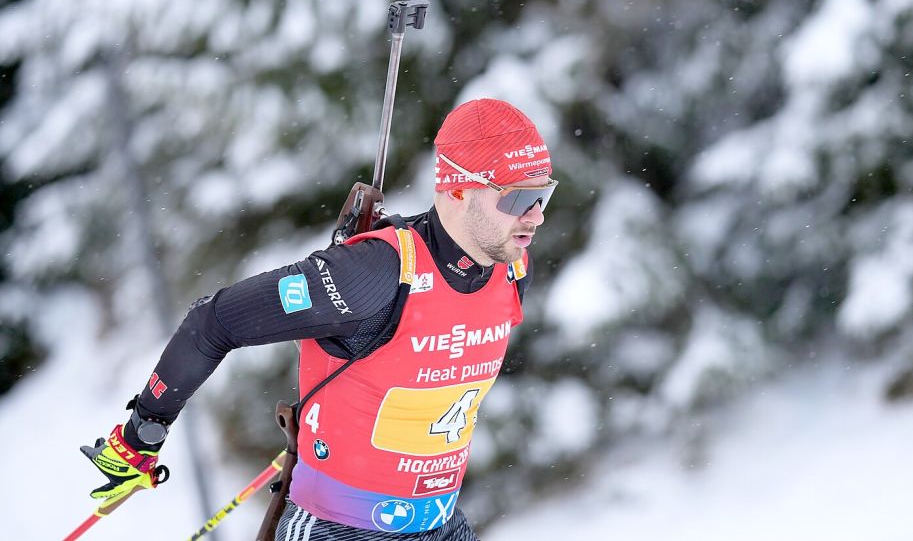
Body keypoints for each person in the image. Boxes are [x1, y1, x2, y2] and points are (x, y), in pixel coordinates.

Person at [81, 98, 559, 540]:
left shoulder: (514, 269)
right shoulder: (374, 273)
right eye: (517, 199)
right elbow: (214, 320)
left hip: (441, 523)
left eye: (543, 197)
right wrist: (144, 430)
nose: (535, 217)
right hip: (339, 529)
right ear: (457, 188)